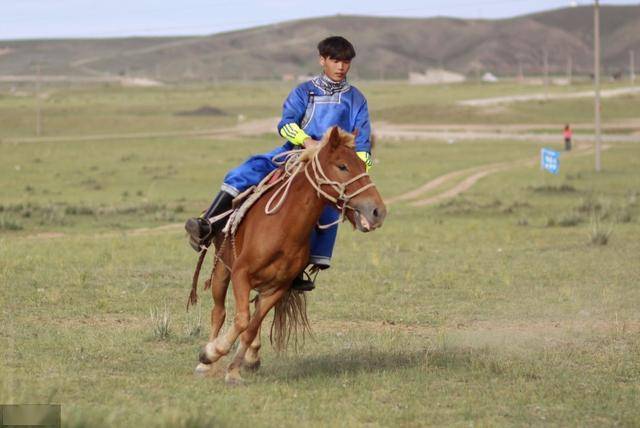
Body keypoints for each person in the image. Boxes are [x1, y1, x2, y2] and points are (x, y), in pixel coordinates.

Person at [184, 36, 373, 291]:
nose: (341, 67)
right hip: (296, 154)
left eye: (346, 62)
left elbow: (362, 144)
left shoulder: (356, 99)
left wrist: (360, 175)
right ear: (322, 60)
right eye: (335, 60)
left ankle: (300, 267)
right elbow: (285, 124)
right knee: (244, 172)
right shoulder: (304, 91)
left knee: (327, 212)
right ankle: (207, 225)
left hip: (333, 167)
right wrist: (306, 142)